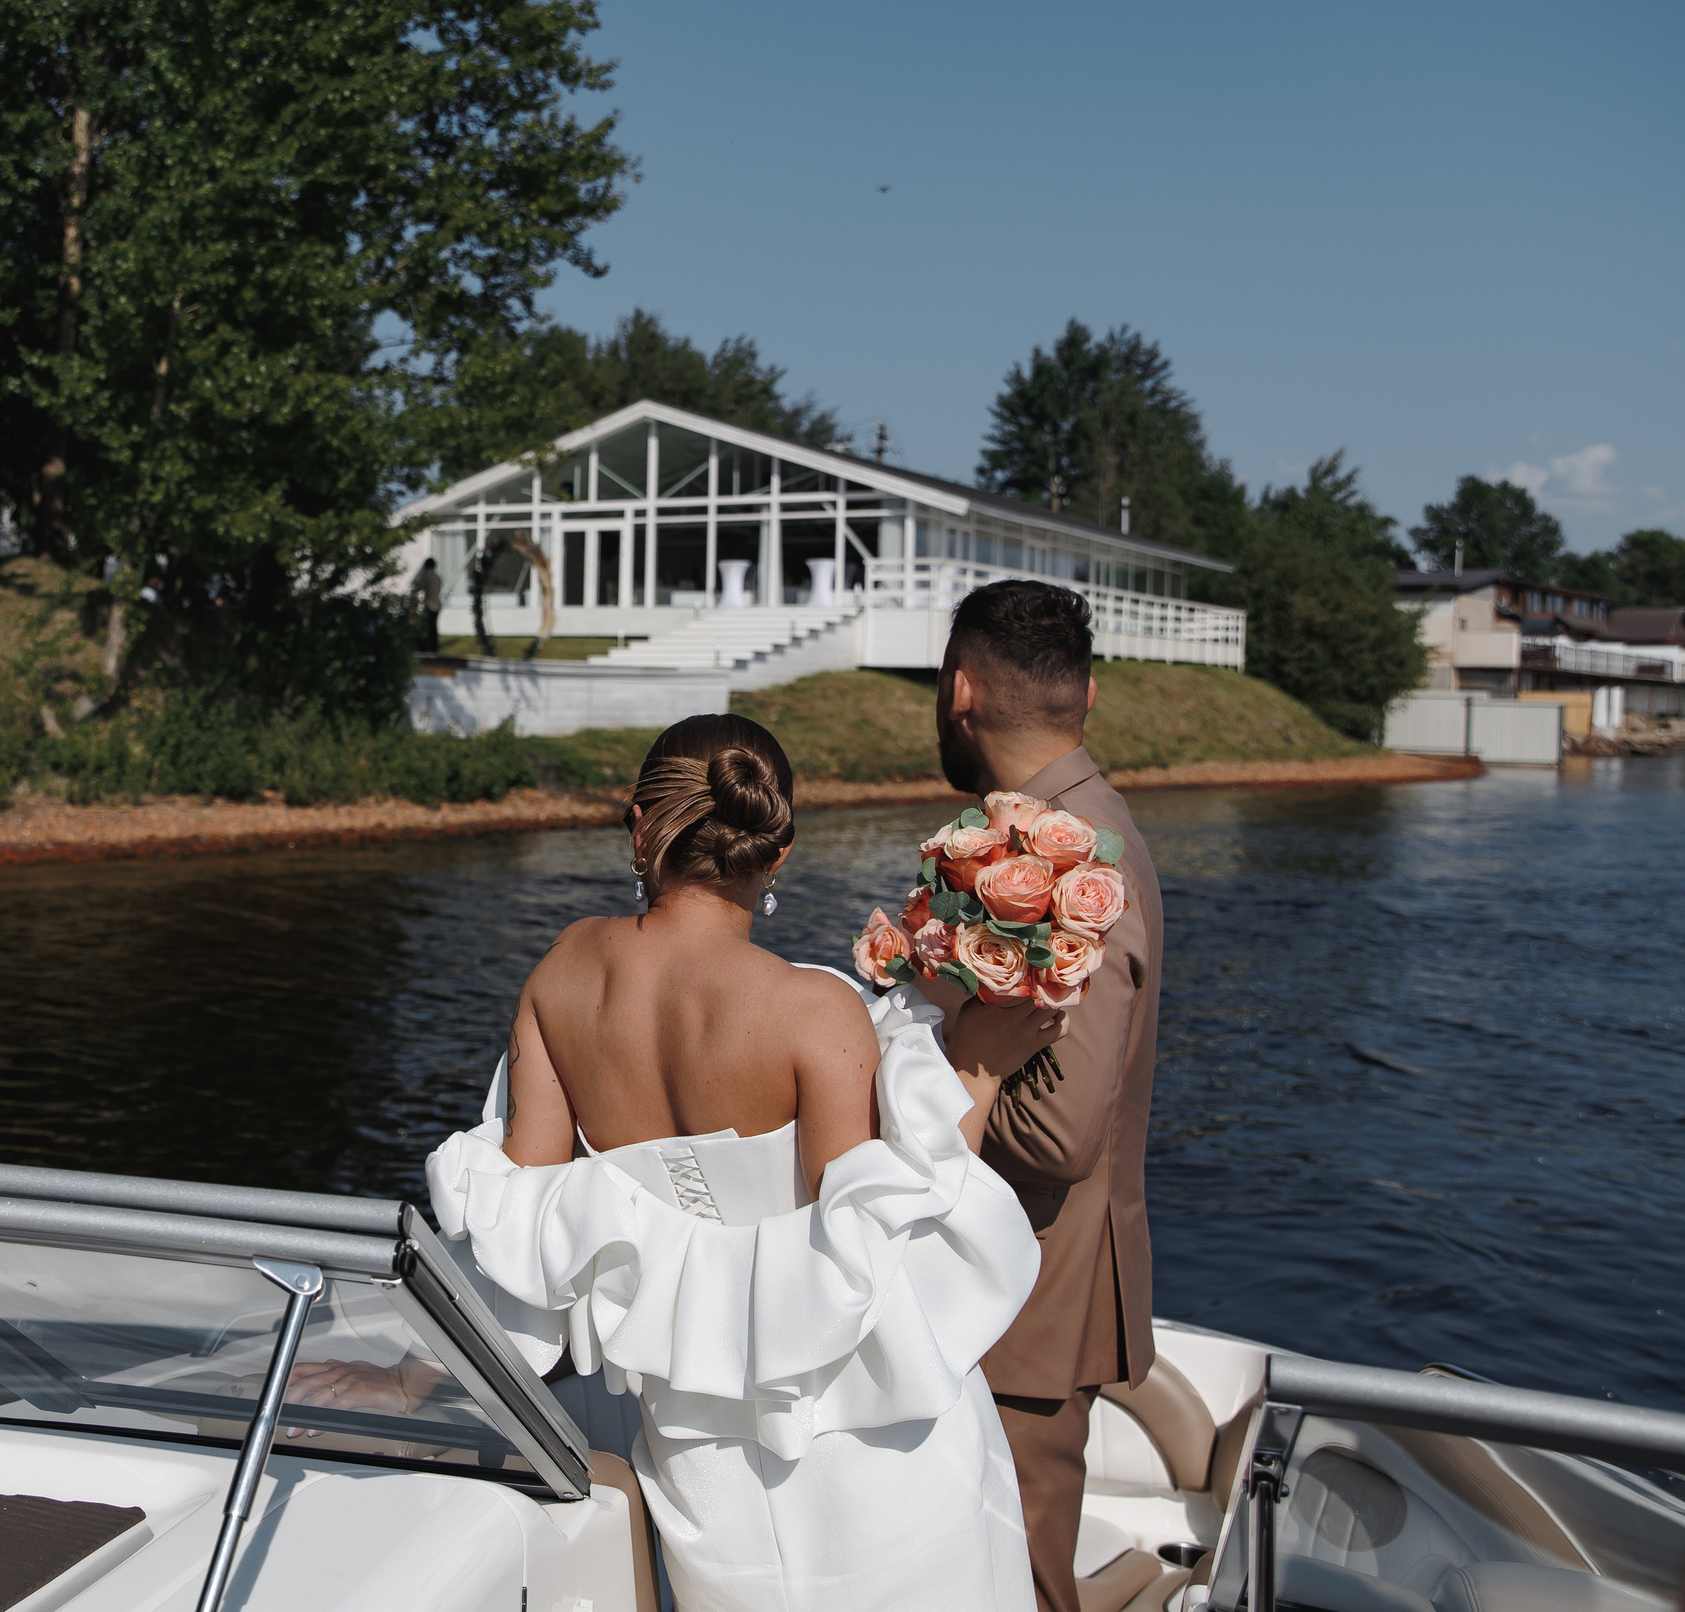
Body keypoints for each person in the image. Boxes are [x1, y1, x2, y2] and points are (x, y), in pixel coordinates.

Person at [397, 713, 1043, 1611]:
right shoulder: (813, 1013)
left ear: (640, 825)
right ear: (778, 853)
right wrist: (979, 1068)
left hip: (704, 1477)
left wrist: (405, 1375)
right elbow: (883, 1265)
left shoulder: (560, 978)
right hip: (879, 1466)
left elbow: (514, 1238)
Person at [928, 581, 1164, 1612]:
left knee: (1018, 1584)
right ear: (1088, 695)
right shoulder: (1059, 827)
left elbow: (1061, 1133)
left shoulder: (1073, 856)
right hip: (1012, 1280)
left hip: (1032, 1291)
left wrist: (922, 1056)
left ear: (961, 691)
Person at [409, 555, 445, 652]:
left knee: (427, 626)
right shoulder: (438, 577)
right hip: (437, 603)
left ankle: (425, 647)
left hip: (429, 604)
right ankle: (434, 646)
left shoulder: (427, 576)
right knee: (433, 626)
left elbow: (418, 586)